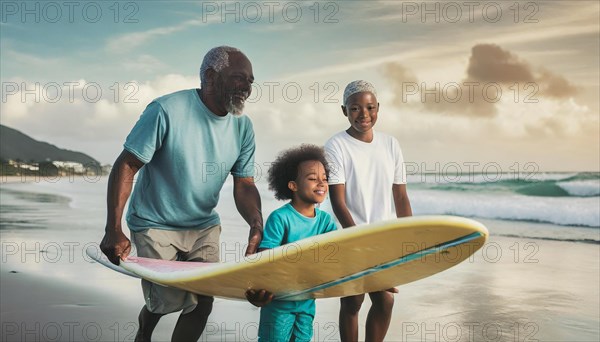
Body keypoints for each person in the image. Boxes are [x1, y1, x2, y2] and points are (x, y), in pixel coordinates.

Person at [100, 46, 264, 342]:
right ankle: (145, 330)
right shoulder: (166, 110)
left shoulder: (243, 126)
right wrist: (114, 228)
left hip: (203, 225)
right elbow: (128, 164)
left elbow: (245, 183)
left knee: (203, 300)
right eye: (240, 78)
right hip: (154, 222)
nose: (248, 88)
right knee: (166, 302)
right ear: (212, 77)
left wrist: (256, 222)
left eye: (251, 81)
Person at [324, 80, 413, 342]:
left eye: (370, 107)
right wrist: (357, 241)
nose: (364, 114)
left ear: (378, 108)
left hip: (384, 239)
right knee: (353, 301)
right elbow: (337, 200)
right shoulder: (336, 145)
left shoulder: (391, 144)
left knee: (385, 300)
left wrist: (409, 238)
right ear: (344, 111)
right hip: (353, 236)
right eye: (355, 109)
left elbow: (400, 195)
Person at [245, 144, 338, 342]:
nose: (321, 183)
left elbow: (340, 252)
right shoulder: (280, 218)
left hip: (306, 301)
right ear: (292, 186)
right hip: (279, 302)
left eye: (325, 178)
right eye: (312, 179)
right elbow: (266, 257)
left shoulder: (326, 221)